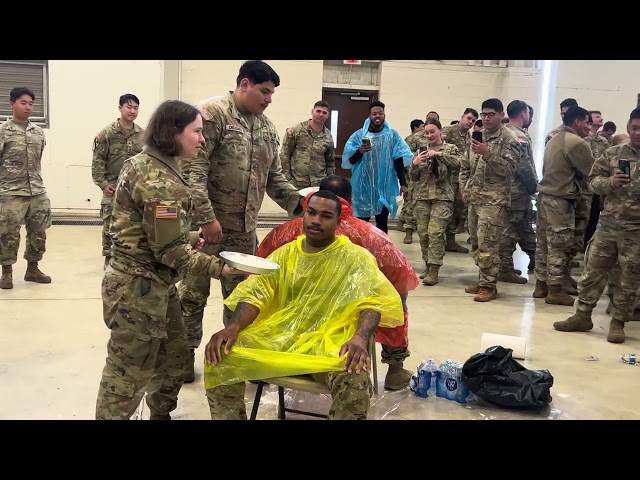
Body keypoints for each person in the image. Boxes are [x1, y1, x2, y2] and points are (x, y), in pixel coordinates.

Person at [94, 100, 247, 420]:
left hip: (156, 285)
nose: (202, 139)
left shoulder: (149, 163)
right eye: (197, 132)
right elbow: (170, 252)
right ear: (173, 133)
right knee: (127, 374)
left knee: (175, 358)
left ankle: (160, 413)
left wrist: (190, 237)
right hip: (137, 290)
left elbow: (142, 229)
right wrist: (222, 267)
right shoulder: (159, 180)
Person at [203, 190, 405, 420]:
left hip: (330, 343)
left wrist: (360, 337)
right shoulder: (285, 254)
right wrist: (233, 327)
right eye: (311, 212)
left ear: (338, 222)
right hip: (281, 338)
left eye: (326, 216)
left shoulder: (356, 258)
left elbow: (372, 301)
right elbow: (255, 294)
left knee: (354, 379)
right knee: (218, 357)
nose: (316, 221)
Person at [178, 60, 304, 384]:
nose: (269, 99)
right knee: (192, 296)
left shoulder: (267, 128)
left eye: (273, 93)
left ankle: (235, 356)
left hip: (244, 231)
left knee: (242, 299)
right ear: (244, 84)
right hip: (206, 231)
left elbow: (274, 178)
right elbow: (194, 169)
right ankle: (182, 359)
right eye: (265, 91)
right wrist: (206, 218)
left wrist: (302, 205)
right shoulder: (213, 115)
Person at [256, 175, 419, 390]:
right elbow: (399, 278)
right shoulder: (371, 235)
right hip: (345, 323)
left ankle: (259, 365)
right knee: (395, 301)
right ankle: (395, 368)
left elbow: (258, 272)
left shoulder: (285, 232)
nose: (316, 221)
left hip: (293, 319)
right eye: (312, 213)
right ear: (350, 200)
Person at [553, 107, 640, 344]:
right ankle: (582, 316)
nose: (638, 132)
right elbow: (592, 182)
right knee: (592, 272)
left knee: (628, 278)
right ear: (628, 126)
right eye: (634, 128)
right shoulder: (612, 153)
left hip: (636, 231)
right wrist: (611, 182)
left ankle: (618, 322)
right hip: (608, 225)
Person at [459, 98, 520, 302]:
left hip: (494, 201)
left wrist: (488, 153)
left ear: (501, 115)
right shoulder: (478, 136)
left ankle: (489, 285)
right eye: (483, 114)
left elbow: (509, 170)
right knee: (476, 243)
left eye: (491, 114)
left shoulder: (509, 139)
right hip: (475, 198)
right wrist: (464, 188)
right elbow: (465, 166)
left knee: (488, 244)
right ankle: (483, 278)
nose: (486, 118)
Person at [532, 106, 594, 306]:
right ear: (577, 121)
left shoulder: (554, 138)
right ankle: (555, 289)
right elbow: (591, 172)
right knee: (559, 245)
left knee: (543, 245)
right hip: (560, 201)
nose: (588, 127)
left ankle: (540, 285)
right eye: (586, 122)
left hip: (545, 197)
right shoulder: (576, 142)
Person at [0, 87, 51, 290]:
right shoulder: (4, 132)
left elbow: (38, 160)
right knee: (8, 233)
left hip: (37, 191)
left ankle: (32, 269)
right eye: (24, 103)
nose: (28, 107)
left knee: (38, 232)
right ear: (12, 103)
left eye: (31, 103)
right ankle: (6, 273)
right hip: (11, 192)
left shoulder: (38, 132)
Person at [341, 101, 413, 234]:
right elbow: (350, 161)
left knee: (382, 223)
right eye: (374, 114)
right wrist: (359, 151)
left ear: (384, 115)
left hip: (385, 186)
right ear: (369, 116)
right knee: (361, 223)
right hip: (363, 187)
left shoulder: (392, 136)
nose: (377, 116)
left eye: (380, 113)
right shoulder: (359, 136)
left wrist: (403, 183)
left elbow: (398, 160)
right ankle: (361, 250)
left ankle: (382, 252)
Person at [92, 94, 145, 267]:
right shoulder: (107, 134)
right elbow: (98, 162)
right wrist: (103, 184)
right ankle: (109, 261)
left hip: (135, 189)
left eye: (135, 108)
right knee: (110, 225)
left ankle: (131, 259)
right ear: (120, 108)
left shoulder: (142, 135)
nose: (132, 111)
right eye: (129, 107)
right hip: (113, 189)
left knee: (134, 225)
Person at [408, 118, 462, 285]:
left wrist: (439, 155)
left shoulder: (450, 148)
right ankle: (427, 264)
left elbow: (459, 163)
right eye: (427, 133)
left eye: (433, 131)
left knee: (435, 233)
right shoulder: (421, 150)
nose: (430, 135)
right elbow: (413, 177)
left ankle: (434, 270)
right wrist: (415, 164)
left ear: (440, 131)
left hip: (442, 197)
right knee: (423, 234)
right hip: (422, 197)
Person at [499, 100, 538, 284]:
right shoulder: (519, 136)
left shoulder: (502, 132)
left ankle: (527, 260)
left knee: (517, 228)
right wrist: (534, 186)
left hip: (503, 189)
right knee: (511, 230)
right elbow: (524, 165)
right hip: (516, 191)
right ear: (523, 114)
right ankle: (504, 269)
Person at [441, 108, 479, 253]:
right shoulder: (449, 131)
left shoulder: (468, 137)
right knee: (444, 211)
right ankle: (439, 242)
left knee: (457, 210)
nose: (470, 122)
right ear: (462, 117)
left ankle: (450, 241)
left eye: (473, 121)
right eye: (469, 118)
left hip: (460, 180)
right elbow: (439, 149)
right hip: (446, 179)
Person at [279, 100, 335, 190]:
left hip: (319, 184)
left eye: (324, 113)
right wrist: (288, 180)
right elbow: (284, 155)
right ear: (312, 111)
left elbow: (330, 162)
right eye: (318, 111)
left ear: (328, 115)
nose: (321, 114)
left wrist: (329, 181)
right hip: (296, 183)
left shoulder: (328, 136)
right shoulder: (296, 130)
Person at [397, 119, 425, 242]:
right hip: (412, 173)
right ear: (416, 128)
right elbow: (403, 156)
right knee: (410, 202)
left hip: (425, 177)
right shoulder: (412, 139)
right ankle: (408, 231)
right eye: (422, 126)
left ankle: (404, 223)